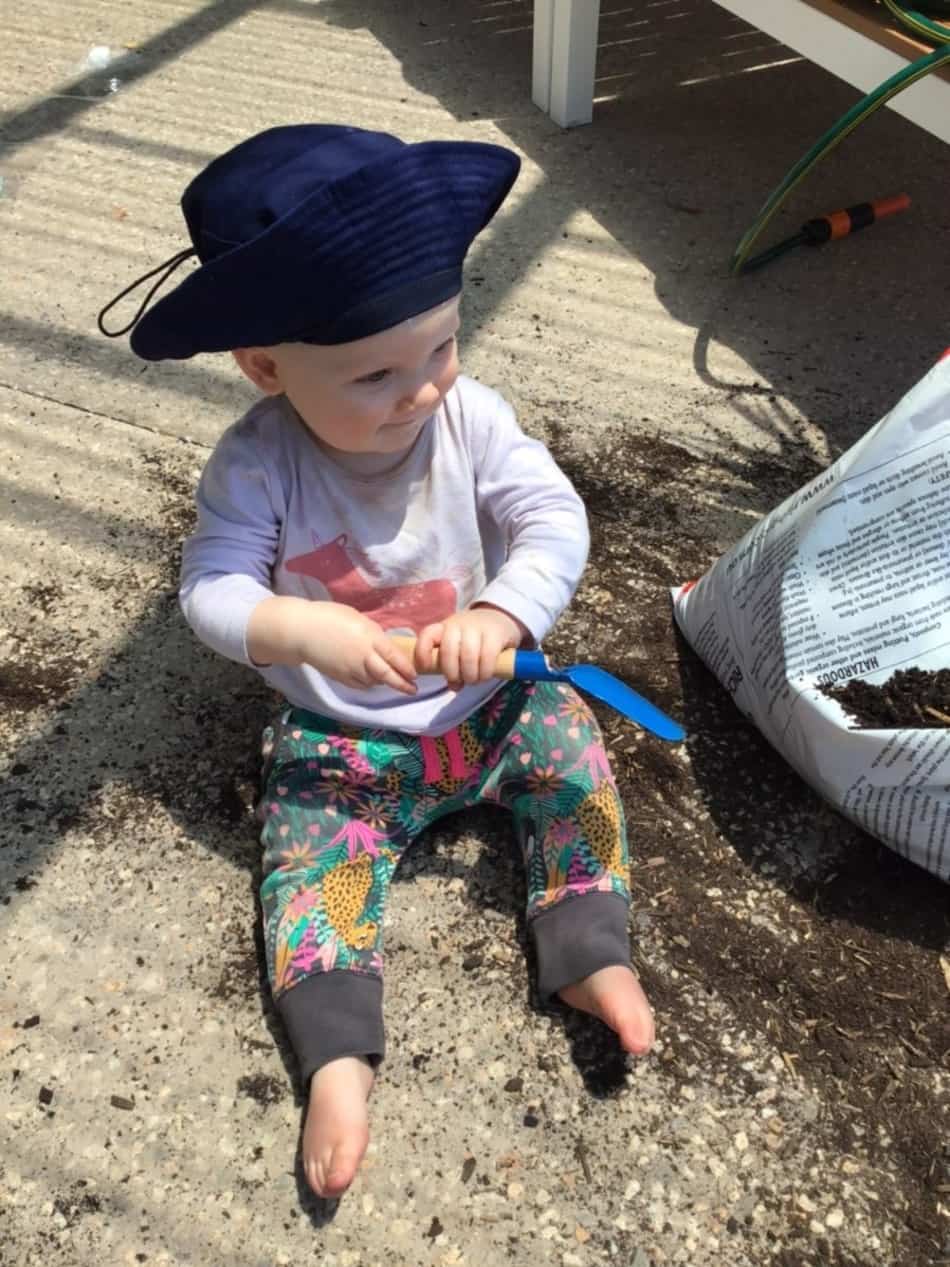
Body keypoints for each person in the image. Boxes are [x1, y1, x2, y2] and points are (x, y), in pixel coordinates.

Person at [99, 124, 655, 1200]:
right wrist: (301, 632)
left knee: (573, 759)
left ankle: (590, 949)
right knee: (307, 865)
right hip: (338, 733)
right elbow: (210, 587)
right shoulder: (258, 461)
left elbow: (550, 519)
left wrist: (502, 611)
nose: (421, 390)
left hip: (486, 704)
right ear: (265, 366)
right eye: (375, 373)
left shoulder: (469, 420)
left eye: (441, 347)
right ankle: (337, 1052)